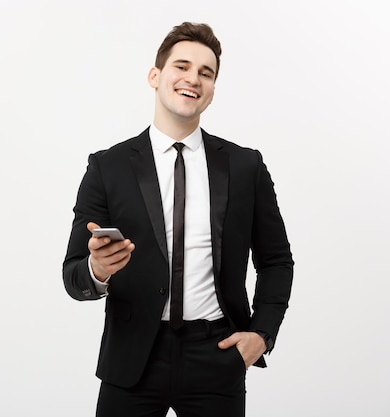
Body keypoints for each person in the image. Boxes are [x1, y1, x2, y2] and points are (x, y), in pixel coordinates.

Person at [63, 21, 294, 417]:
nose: (193, 79)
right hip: (132, 356)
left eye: (206, 73)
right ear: (155, 76)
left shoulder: (245, 166)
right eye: (182, 66)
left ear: (213, 91)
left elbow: (276, 260)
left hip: (217, 355)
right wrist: (98, 270)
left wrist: (262, 333)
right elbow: (73, 277)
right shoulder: (107, 167)